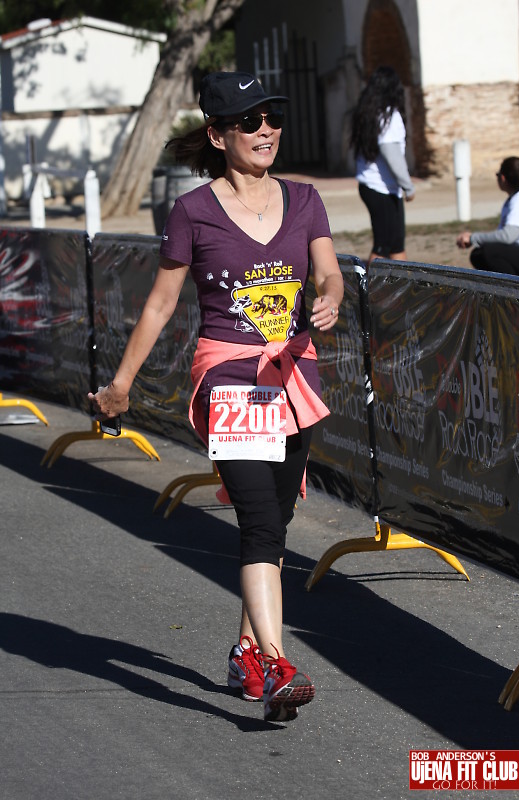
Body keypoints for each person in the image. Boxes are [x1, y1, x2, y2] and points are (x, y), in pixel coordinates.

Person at [88, 71, 344, 723]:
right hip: (230, 378)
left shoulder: (305, 199)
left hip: (293, 376)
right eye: (250, 121)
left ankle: (246, 654)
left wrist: (330, 299)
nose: (266, 131)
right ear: (218, 135)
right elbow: (160, 303)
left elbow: (329, 273)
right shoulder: (193, 211)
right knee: (258, 521)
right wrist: (121, 384)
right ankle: (277, 664)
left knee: (274, 524)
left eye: (273, 118)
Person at [350, 65, 415, 265]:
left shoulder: (370, 113)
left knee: (396, 245)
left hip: (374, 186)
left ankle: (401, 283)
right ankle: (370, 285)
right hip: (380, 188)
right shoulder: (389, 116)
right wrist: (408, 185)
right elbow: (391, 154)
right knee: (383, 245)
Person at [456, 156, 519, 277]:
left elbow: (507, 237)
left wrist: (472, 238)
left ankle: (513, 287)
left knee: (490, 252)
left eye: (497, 175)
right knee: (478, 254)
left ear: (503, 178)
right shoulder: (516, 198)